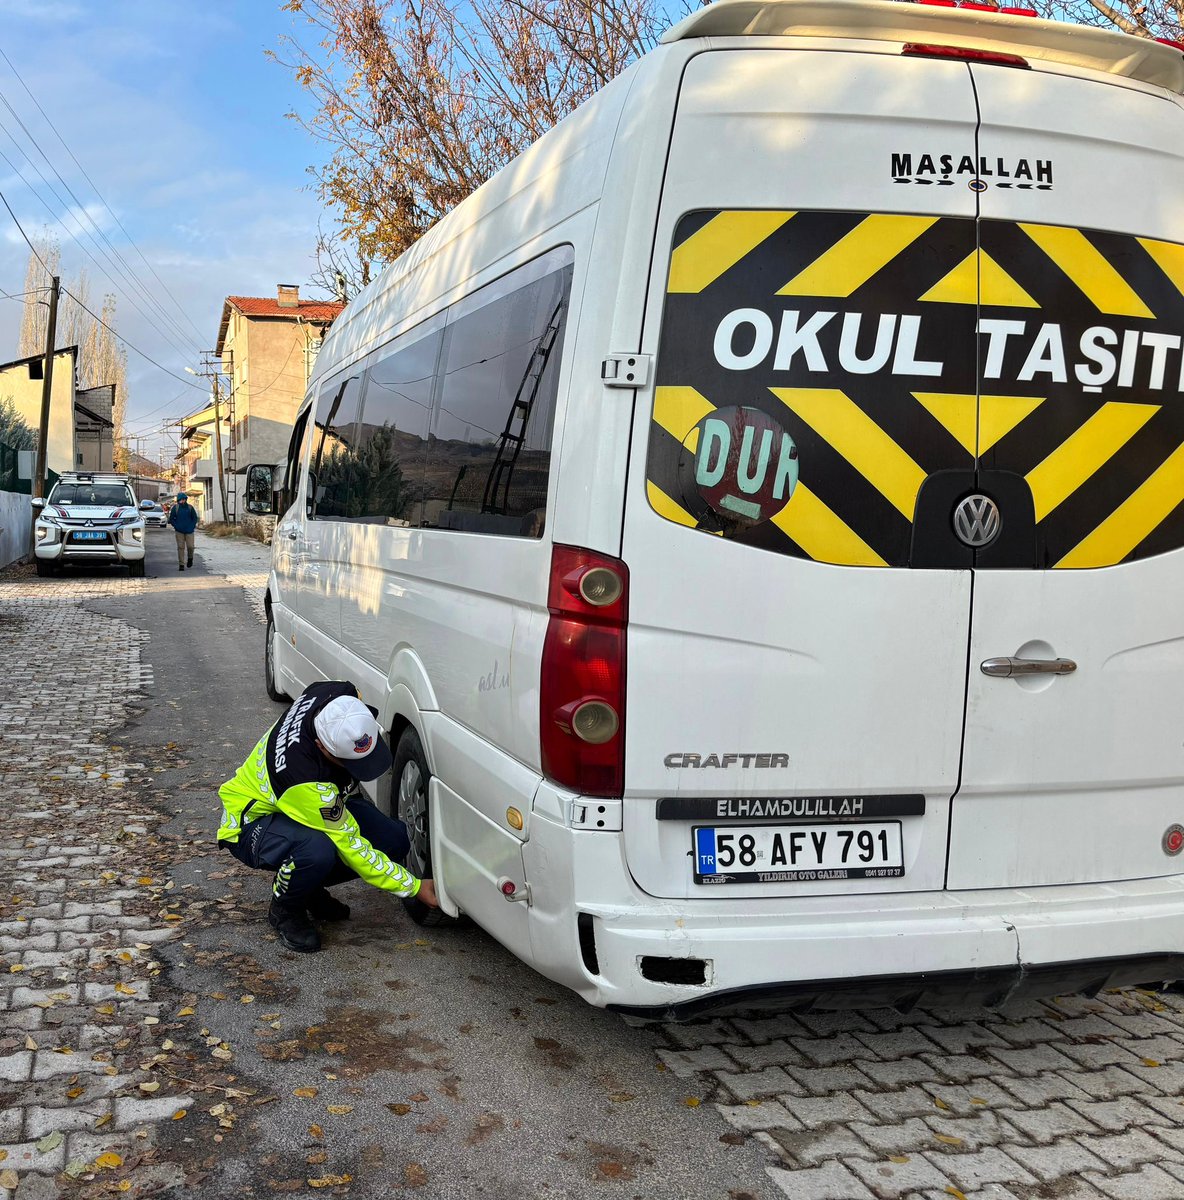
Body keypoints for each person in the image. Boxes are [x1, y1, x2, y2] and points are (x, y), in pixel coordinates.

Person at [217, 680, 437, 952]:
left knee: (393, 839)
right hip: (251, 823)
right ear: (322, 746)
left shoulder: (336, 692)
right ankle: (286, 907)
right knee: (316, 851)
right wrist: (414, 887)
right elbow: (352, 847)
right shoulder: (304, 779)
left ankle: (306, 886)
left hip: (299, 806)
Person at [167, 491, 199, 571]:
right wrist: (176, 526)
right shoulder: (175, 508)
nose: (182, 501)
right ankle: (181, 564)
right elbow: (171, 519)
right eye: (181, 500)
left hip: (189, 531)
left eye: (184, 499)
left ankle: (190, 558)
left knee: (190, 547)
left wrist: (192, 526)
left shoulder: (190, 508)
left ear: (185, 499)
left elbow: (195, 518)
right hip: (179, 531)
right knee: (180, 547)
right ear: (178, 500)